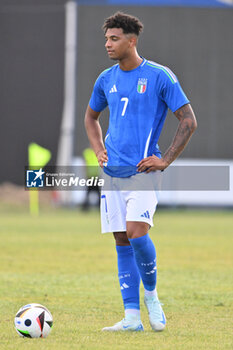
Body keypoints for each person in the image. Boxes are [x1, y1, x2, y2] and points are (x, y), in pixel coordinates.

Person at [84, 12, 197, 332]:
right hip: (112, 173)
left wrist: (166, 160)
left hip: (143, 172)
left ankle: (151, 295)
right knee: (121, 240)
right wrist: (98, 150)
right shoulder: (105, 78)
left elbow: (188, 121)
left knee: (136, 232)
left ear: (131, 41)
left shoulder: (160, 75)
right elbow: (90, 118)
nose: (107, 44)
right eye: (106, 38)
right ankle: (132, 318)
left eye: (114, 38)